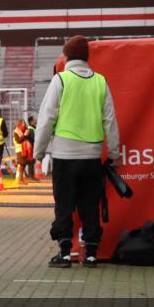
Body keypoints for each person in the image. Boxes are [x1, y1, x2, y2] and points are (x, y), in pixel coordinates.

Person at [34, 35, 120, 268]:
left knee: (64, 206)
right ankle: (91, 253)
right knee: (89, 205)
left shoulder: (61, 80)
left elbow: (47, 118)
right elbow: (110, 121)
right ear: (86, 57)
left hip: (64, 156)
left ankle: (64, 253)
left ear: (67, 56)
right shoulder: (100, 81)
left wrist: (39, 152)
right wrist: (113, 154)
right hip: (92, 157)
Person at [12, 119, 32, 185]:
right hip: (20, 150)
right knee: (21, 165)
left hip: (25, 150)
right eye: (23, 123)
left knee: (23, 165)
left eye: (24, 123)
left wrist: (27, 134)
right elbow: (18, 141)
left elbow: (28, 139)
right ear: (19, 124)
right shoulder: (16, 131)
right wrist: (25, 135)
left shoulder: (24, 130)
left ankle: (21, 179)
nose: (24, 124)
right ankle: (20, 180)